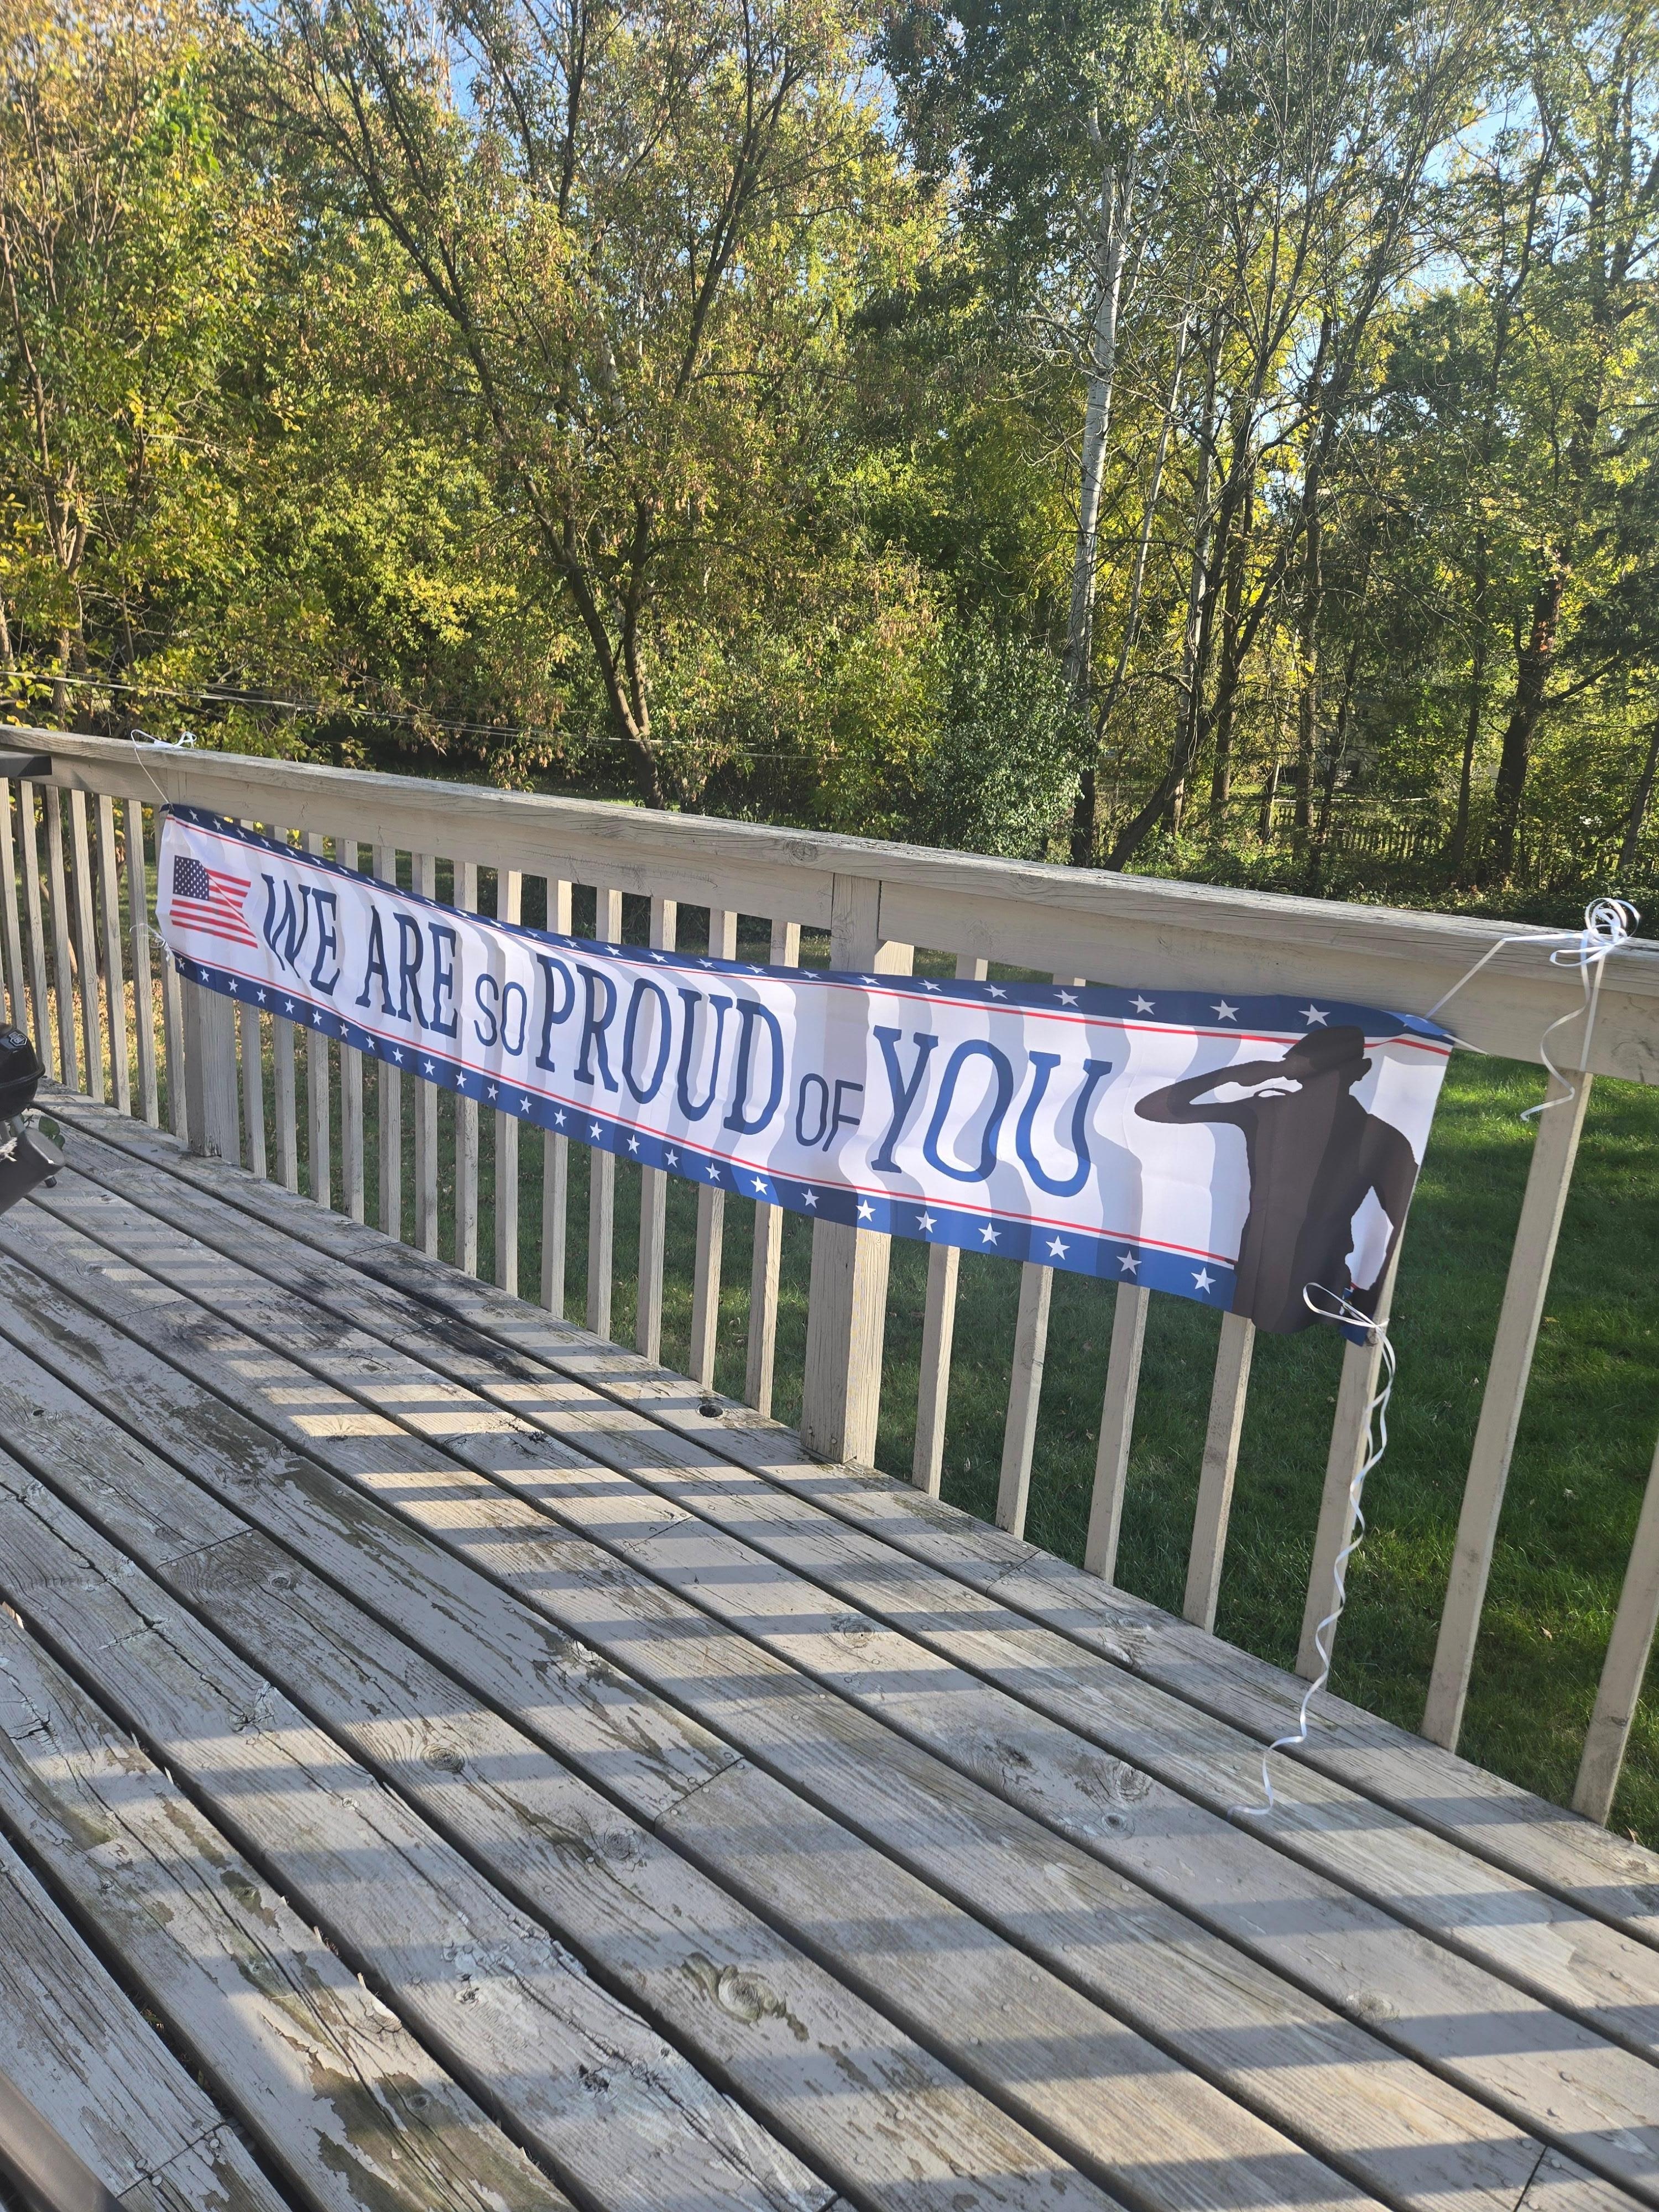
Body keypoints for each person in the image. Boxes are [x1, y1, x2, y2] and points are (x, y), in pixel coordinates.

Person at [1134, 1024, 1418, 1333]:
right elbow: (1150, 1108)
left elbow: (1399, 1218)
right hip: (1259, 1262)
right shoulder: (1269, 1110)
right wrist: (1239, 1073)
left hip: (1317, 1271)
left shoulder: (1376, 1136)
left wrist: (1370, 1296)